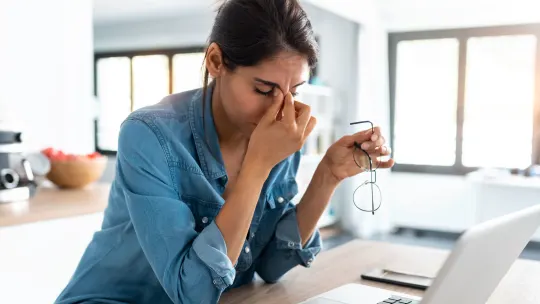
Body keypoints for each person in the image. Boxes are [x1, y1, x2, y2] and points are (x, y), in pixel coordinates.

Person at [55, 0, 393, 303]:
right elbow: (194, 292)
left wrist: (327, 176)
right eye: (264, 89)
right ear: (216, 61)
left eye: (296, 90)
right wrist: (258, 166)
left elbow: (272, 266)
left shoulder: (277, 132)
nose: (282, 108)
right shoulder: (149, 134)